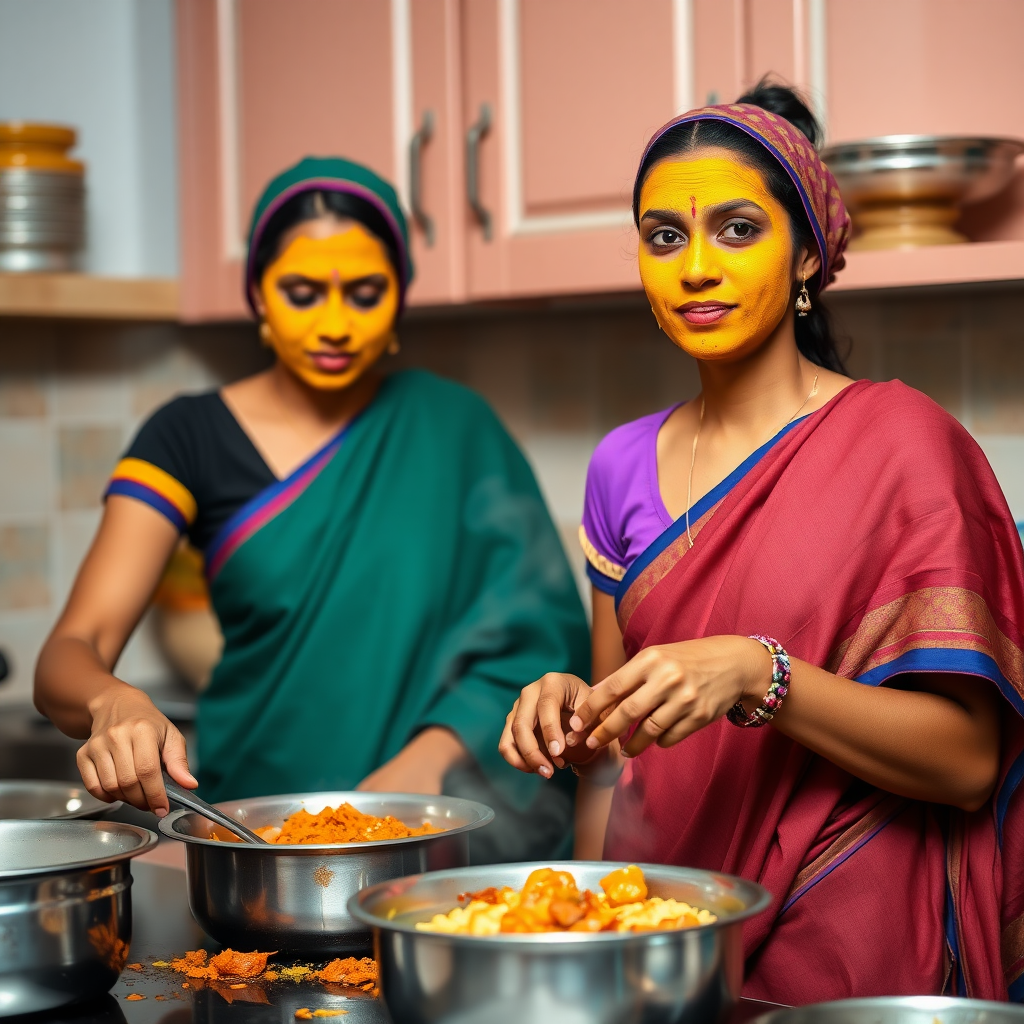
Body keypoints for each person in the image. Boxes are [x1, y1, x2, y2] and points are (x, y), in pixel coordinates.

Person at [500, 82, 1024, 1001]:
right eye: (665, 237)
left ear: (808, 258)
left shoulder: (906, 447)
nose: (696, 266)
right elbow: (617, 758)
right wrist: (574, 729)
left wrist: (758, 671)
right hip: (669, 938)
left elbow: (970, 764)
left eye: (737, 230)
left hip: (848, 946)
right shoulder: (620, 465)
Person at [35, 156, 589, 862]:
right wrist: (113, 702)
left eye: (364, 293)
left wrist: (409, 783)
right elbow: (66, 656)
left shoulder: (455, 427)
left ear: (399, 298)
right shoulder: (189, 436)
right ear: (258, 296)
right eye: (302, 292)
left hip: (426, 824)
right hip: (247, 827)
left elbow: (540, 645)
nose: (334, 324)